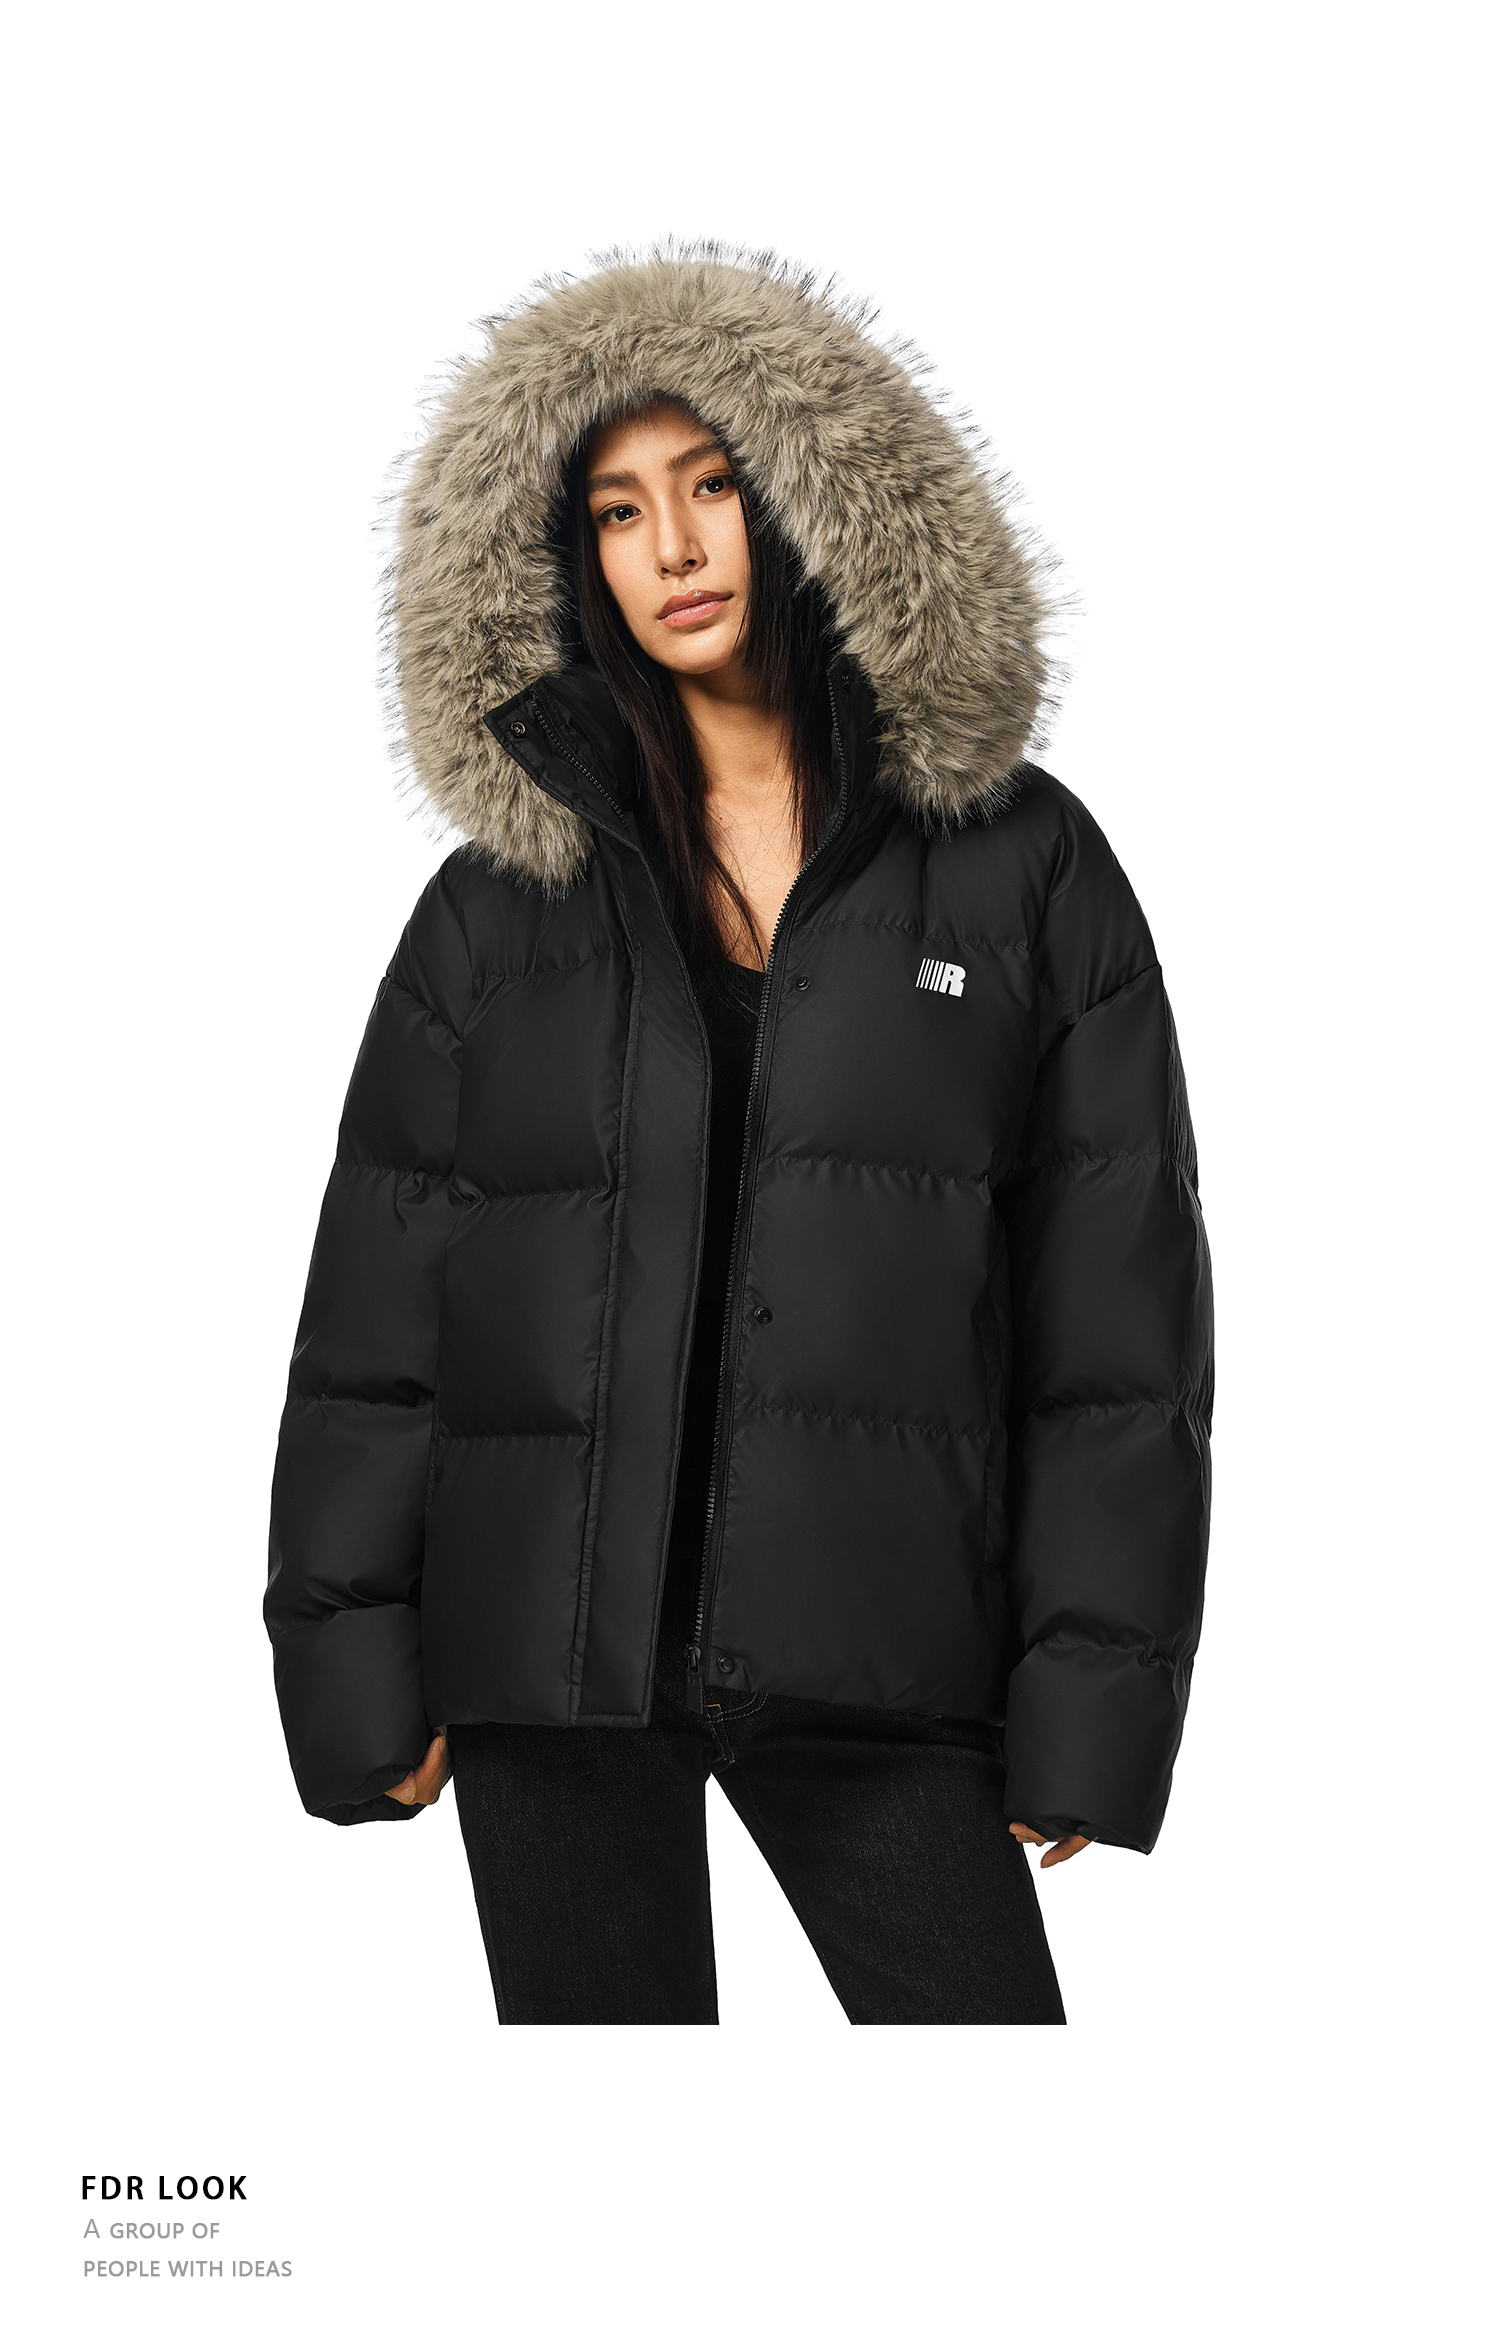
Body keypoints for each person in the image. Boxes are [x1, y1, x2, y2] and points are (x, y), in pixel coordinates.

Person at [266, 250, 1214, 2025]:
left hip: (886, 1648)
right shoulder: (497, 908)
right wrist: (348, 1667)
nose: (675, 549)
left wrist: (1091, 1695)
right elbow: (377, 1324)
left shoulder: (1022, 867)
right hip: (554, 1659)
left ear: (810, 498)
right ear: (573, 558)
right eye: (619, 511)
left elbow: (1116, 1327)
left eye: (712, 485)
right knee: (608, 2175)